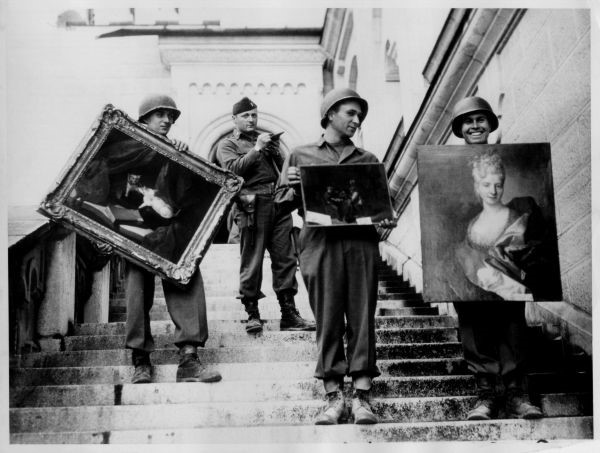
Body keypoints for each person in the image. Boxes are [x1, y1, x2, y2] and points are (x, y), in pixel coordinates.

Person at [280, 88, 396, 425]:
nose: (356, 121)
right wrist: (289, 186)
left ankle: (362, 396)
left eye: (359, 116)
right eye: (350, 113)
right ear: (329, 114)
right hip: (319, 245)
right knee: (328, 319)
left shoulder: (368, 160)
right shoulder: (300, 155)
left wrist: (385, 219)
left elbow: (382, 208)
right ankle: (333, 397)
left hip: (360, 244)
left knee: (361, 317)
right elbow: (278, 206)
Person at [450, 96, 543, 420]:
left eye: (481, 119)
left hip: (507, 283)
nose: (475, 125)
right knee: (474, 332)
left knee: (512, 328)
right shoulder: (460, 206)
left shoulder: (519, 211)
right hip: (470, 280)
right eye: (468, 121)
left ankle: (518, 395)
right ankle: (486, 395)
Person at [119, 94, 222, 384]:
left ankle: (189, 359)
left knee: (186, 281)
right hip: (135, 232)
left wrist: (182, 159)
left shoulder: (176, 153)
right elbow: (111, 194)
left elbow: (189, 196)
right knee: (137, 293)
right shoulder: (126, 153)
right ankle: (140, 359)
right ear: (144, 119)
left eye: (170, 116)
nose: (166, 120)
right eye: (159, 114)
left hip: (172, 233)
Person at [217, 97, 315, 334]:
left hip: (278, 204)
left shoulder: (265, 142)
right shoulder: (227, 144)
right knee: (252, 260)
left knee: (285, 259)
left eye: (254, 115)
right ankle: (252, 313)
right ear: (234, 119)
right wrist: (257, 149)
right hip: (251, 205)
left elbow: (283, 172)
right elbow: (232, 172)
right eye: (246, 116)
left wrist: (277, 154)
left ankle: (289, 314)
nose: (251, 120)